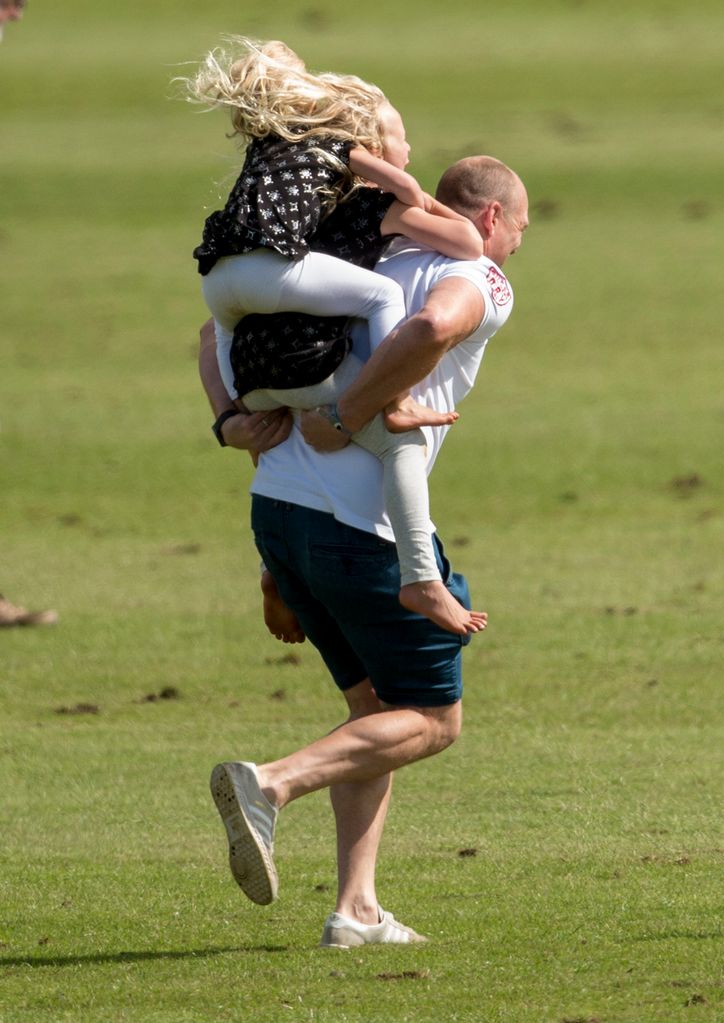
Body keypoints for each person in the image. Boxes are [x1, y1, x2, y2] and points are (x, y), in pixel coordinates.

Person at [199, 155, 529, 947]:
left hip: (278, 510)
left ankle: (357, 909)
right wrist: (348, 413)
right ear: (489, 221)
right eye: (520, 227)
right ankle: (271, 784)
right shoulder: (478, 273)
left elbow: (212, 336)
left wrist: (226, 420)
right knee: (430, 719)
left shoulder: (353, 250)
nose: (517, 243)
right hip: (358, 528)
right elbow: (430, 326)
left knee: (372, 709)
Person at [187, 38, 485, 636]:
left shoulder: (300, 205)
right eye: (402, 138)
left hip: (252, 368)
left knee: (271, 431)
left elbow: (208, 336)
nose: (410, 147)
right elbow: (469, 246)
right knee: (402, 442)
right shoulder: (374, 202)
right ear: (373, 149)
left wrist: (228, 419)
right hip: (316, 375)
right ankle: (422, 578)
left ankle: (277, 565)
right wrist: (423, 200)